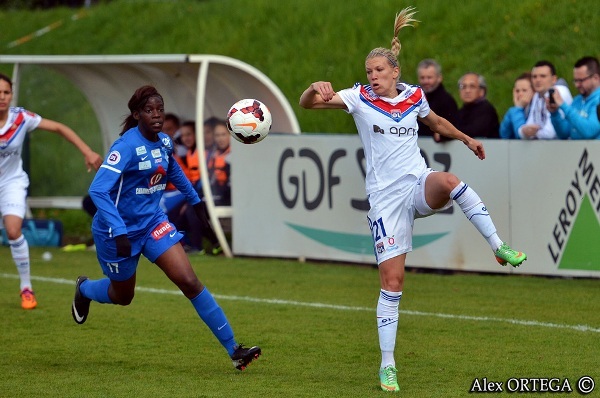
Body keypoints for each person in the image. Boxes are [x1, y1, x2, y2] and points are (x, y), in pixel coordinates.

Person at [298, 7, 526, 392]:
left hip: (417, 183)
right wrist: (313, 88)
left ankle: (499, 246)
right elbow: (309, 104)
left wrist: (466, 139)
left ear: (395, 72)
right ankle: (387, 365)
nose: (372, 76)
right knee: (393, 283)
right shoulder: (358, 98)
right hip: (385, 201)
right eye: (369, 71)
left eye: (378, 71)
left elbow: (434, 122)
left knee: (451, 180)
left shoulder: (414, 96)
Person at [71, 85, 260, 370]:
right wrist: (119, 230)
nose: (157, 115)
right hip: (115, 232)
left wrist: (195, 203)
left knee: (189, 281)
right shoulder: (124, 147)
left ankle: (235, 350)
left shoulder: (165, 142)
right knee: (123, 296)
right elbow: (98, 191)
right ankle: (84, 290)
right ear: (136, 114)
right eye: (149, 111)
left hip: (153, 224)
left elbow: (172, 169)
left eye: (160, 109)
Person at [0, 72, 102, 310]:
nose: (2, 97)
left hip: (12, 183)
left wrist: (87, 151)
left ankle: (26, 288)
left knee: (14, 231)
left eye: (6, 92)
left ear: (11, 95)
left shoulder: (21, 118)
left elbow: (57, 127)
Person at [171, 120, 222, 255]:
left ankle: (197, 246)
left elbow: (204, 181)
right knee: (174, 214)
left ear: (196, 135)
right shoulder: (189, 152)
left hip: (206, 194)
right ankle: (207, 243)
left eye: (189, 134)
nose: (186, 138)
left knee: (191, 210)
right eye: (183, 135)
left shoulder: (205, 152)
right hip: (196, 193)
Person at [518, 60, 573, 139]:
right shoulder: (537, 95)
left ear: (554, 79)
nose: (538, 80)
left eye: (543, 76)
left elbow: (550, 133)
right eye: (534, 77)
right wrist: (523, 131)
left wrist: (530, 133)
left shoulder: (559, 92)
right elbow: (528, 126)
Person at [549, 56, 600, 139]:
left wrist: (563, 105)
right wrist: (555, 113)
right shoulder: (577, 100)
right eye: (575, 81)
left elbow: (589, 131)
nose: (577, 85)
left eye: (581, 80)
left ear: (595, 78)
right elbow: (564, 133)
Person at [416, 59, 459, 142]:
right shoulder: (414, 99)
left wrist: (442, 136)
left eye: (429, 77)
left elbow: (454, 128)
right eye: (422, 77)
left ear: (439, 78)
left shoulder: (447, 101)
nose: (425, 81)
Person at [456, 72, 500, 138]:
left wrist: (449, 133)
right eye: (463, 87)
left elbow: (475, 132)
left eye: (472, 86)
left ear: (481, 91)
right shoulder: (462, 110)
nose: (467, 90)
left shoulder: (486, 109)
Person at [499, 72, 534, 139]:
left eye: (524, 90)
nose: (520, 94)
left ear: (534, 91)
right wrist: (517, 109)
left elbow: (521, 135)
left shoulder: (537, 109)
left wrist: (518, 108)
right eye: (517, 91)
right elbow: (504, 135)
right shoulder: (513, 111)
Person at [207, 119, 231, 206]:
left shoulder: (234, 156)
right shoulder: (213, 155)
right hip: (215, 192)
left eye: (223, 135)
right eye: (217, 135)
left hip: (228, 196)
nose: (220, 139)